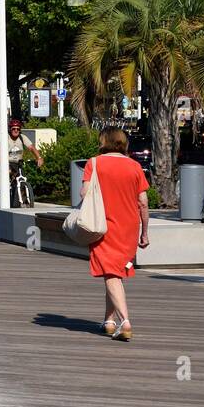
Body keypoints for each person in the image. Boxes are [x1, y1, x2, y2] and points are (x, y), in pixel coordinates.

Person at [84, 127, 150, 340]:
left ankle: (125, 321)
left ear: (103, 141)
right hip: (129, 227)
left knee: (111, 273)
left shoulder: (94, 163)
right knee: (114, 273)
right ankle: (109, 321)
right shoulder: (135, 166)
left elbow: (84, 193)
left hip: (103, 226)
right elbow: (143, 202)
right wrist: (145, 233)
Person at [4, 118, 44, 204]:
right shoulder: (6, 138)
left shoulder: (22, 138)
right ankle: (4, 195)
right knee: (8, 178)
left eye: (18, 129)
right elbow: (0, 150)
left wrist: (39, 157)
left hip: (19, 163)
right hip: (8, 163)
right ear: (10, 129)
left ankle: (24, 198)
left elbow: (31, 148)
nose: (16, 130)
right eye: (13, 129)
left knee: (22, 179)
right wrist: (0, 159)